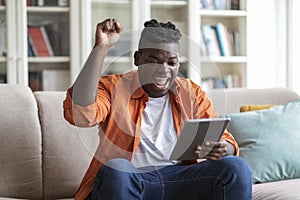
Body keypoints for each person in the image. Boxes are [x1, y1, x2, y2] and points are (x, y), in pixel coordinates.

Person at [63, 18, 252, 200]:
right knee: (116, 169)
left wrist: (222, 149)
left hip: (180, 179)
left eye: (171, 62)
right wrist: (100, 49)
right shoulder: (113, 87)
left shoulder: (191, 92)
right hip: (131, 180)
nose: (164, 69)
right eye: (154, 61)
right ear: (138, 58)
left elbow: (226, 141)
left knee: (236, 167)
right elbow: (80, 115)